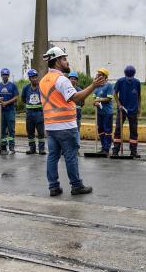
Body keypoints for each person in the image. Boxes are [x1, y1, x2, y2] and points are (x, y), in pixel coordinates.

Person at [39, 47, 106, 196]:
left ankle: (53, 187)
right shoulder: (61, 79)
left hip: (51, 127)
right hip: (66, 127)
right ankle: (76, 186)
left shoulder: (43, 81)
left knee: (52, 156)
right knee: (70, 156)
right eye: (64, 59)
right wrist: (94, 85)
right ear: (57, 61)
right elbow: (75, 98)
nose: (66, 61)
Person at [112, 65, 141, 157]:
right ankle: (115, 150)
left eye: (130, 78)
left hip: (133, 110)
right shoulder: (120, 81)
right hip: (122, 109)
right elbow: (115, 93)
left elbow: (139, 96)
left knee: (134, 131)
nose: (129, 79)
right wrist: (119, 104)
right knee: (118, 129)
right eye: (128, 78)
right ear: (125, 75)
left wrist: (139, 108)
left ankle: (133, 151)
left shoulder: (137, 82)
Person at [0, 68, 18, 154]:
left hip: (10, 110)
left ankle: (11, 147)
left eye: (6, 75)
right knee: (2, 129)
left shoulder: (13, 86)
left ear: (8, 75)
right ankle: (3, 147)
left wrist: (7, 102)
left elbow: (16, 97)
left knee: (11, 129)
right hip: (1, 111)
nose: (5, 76)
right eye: (3, 75)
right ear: (1, 76)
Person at [21, 69, 46, 154]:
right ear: (29, 79)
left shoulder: (41, 87)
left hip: (39, 113)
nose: (34, 79)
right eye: (32, 78)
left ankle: (41, 149)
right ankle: (32, 148)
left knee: (41, 132)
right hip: (30, 114)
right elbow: (23, 98)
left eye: (35, 77)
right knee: (30, 132)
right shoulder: (26, 88)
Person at [93, 69, 114, 155]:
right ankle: (103, 147)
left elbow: (108, 99)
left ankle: (107, 148)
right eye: (97, 74)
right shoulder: (96, 87)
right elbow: (94, 99)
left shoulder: (109, 85)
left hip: (107, 112)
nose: (98, 76)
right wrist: (95, 102)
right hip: (99, 113)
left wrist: (98, 100)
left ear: (105, 77)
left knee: (107, 130)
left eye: (100, 75)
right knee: (100, 130)